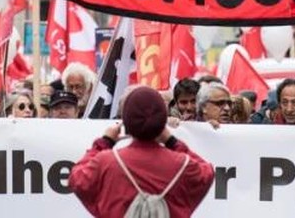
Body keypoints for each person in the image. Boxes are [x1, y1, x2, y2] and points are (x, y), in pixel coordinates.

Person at [69, 86, 215, 218]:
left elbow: (77, 178)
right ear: (162, 121)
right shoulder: (183, 165)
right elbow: (207, 173)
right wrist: (171, 141)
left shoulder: (107, 162)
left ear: (126, 121)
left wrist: (104, 142)